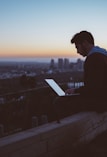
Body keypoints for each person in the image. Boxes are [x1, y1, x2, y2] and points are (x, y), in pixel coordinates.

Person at [53, 30, 107, 122]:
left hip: (101, 102)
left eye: (77, 47)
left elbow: (94, 88)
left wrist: (75, 90)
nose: (77, 51)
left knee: (60, 102)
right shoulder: (103, 55)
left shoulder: (93, 58)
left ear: (85, 43)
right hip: (103, 98)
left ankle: (66, 131)